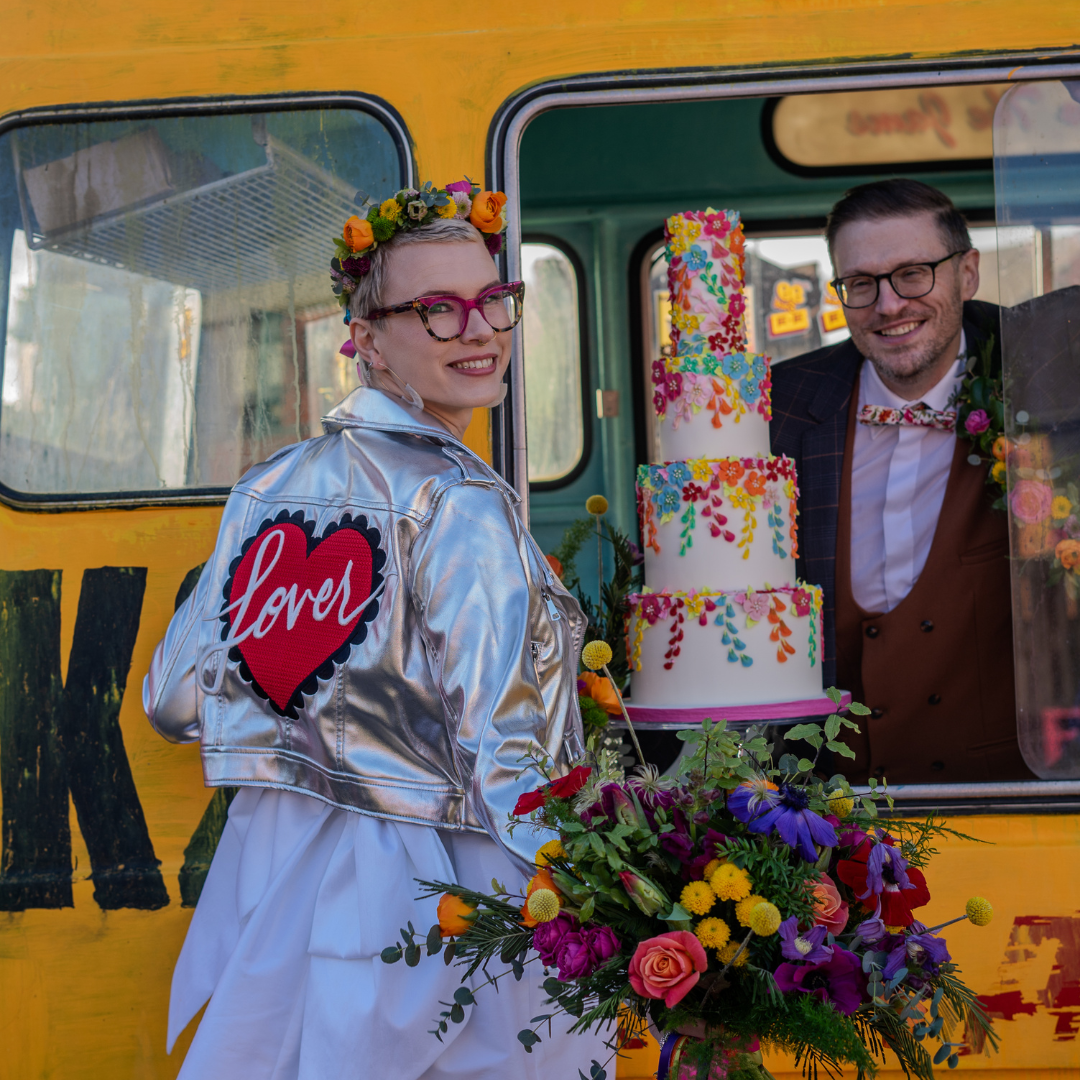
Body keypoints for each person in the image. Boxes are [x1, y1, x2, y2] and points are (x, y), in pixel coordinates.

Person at [143, 182, 606, 1078]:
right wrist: (616, 892)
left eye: (493, 299)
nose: (479, 330)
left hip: (275, 882)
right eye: (437, 309)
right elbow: (507, 760)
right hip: (437, 896)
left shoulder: (267, 487)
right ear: (365, 340)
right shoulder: (459, 502)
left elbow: (173, 702)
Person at [771, 179, 1032, 783]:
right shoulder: (781, 404)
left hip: (1010, 793)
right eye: (861, 283)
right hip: (827, 802)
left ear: (967, 273)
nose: (888, 305)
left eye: (913, 274)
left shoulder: (1040, 376)